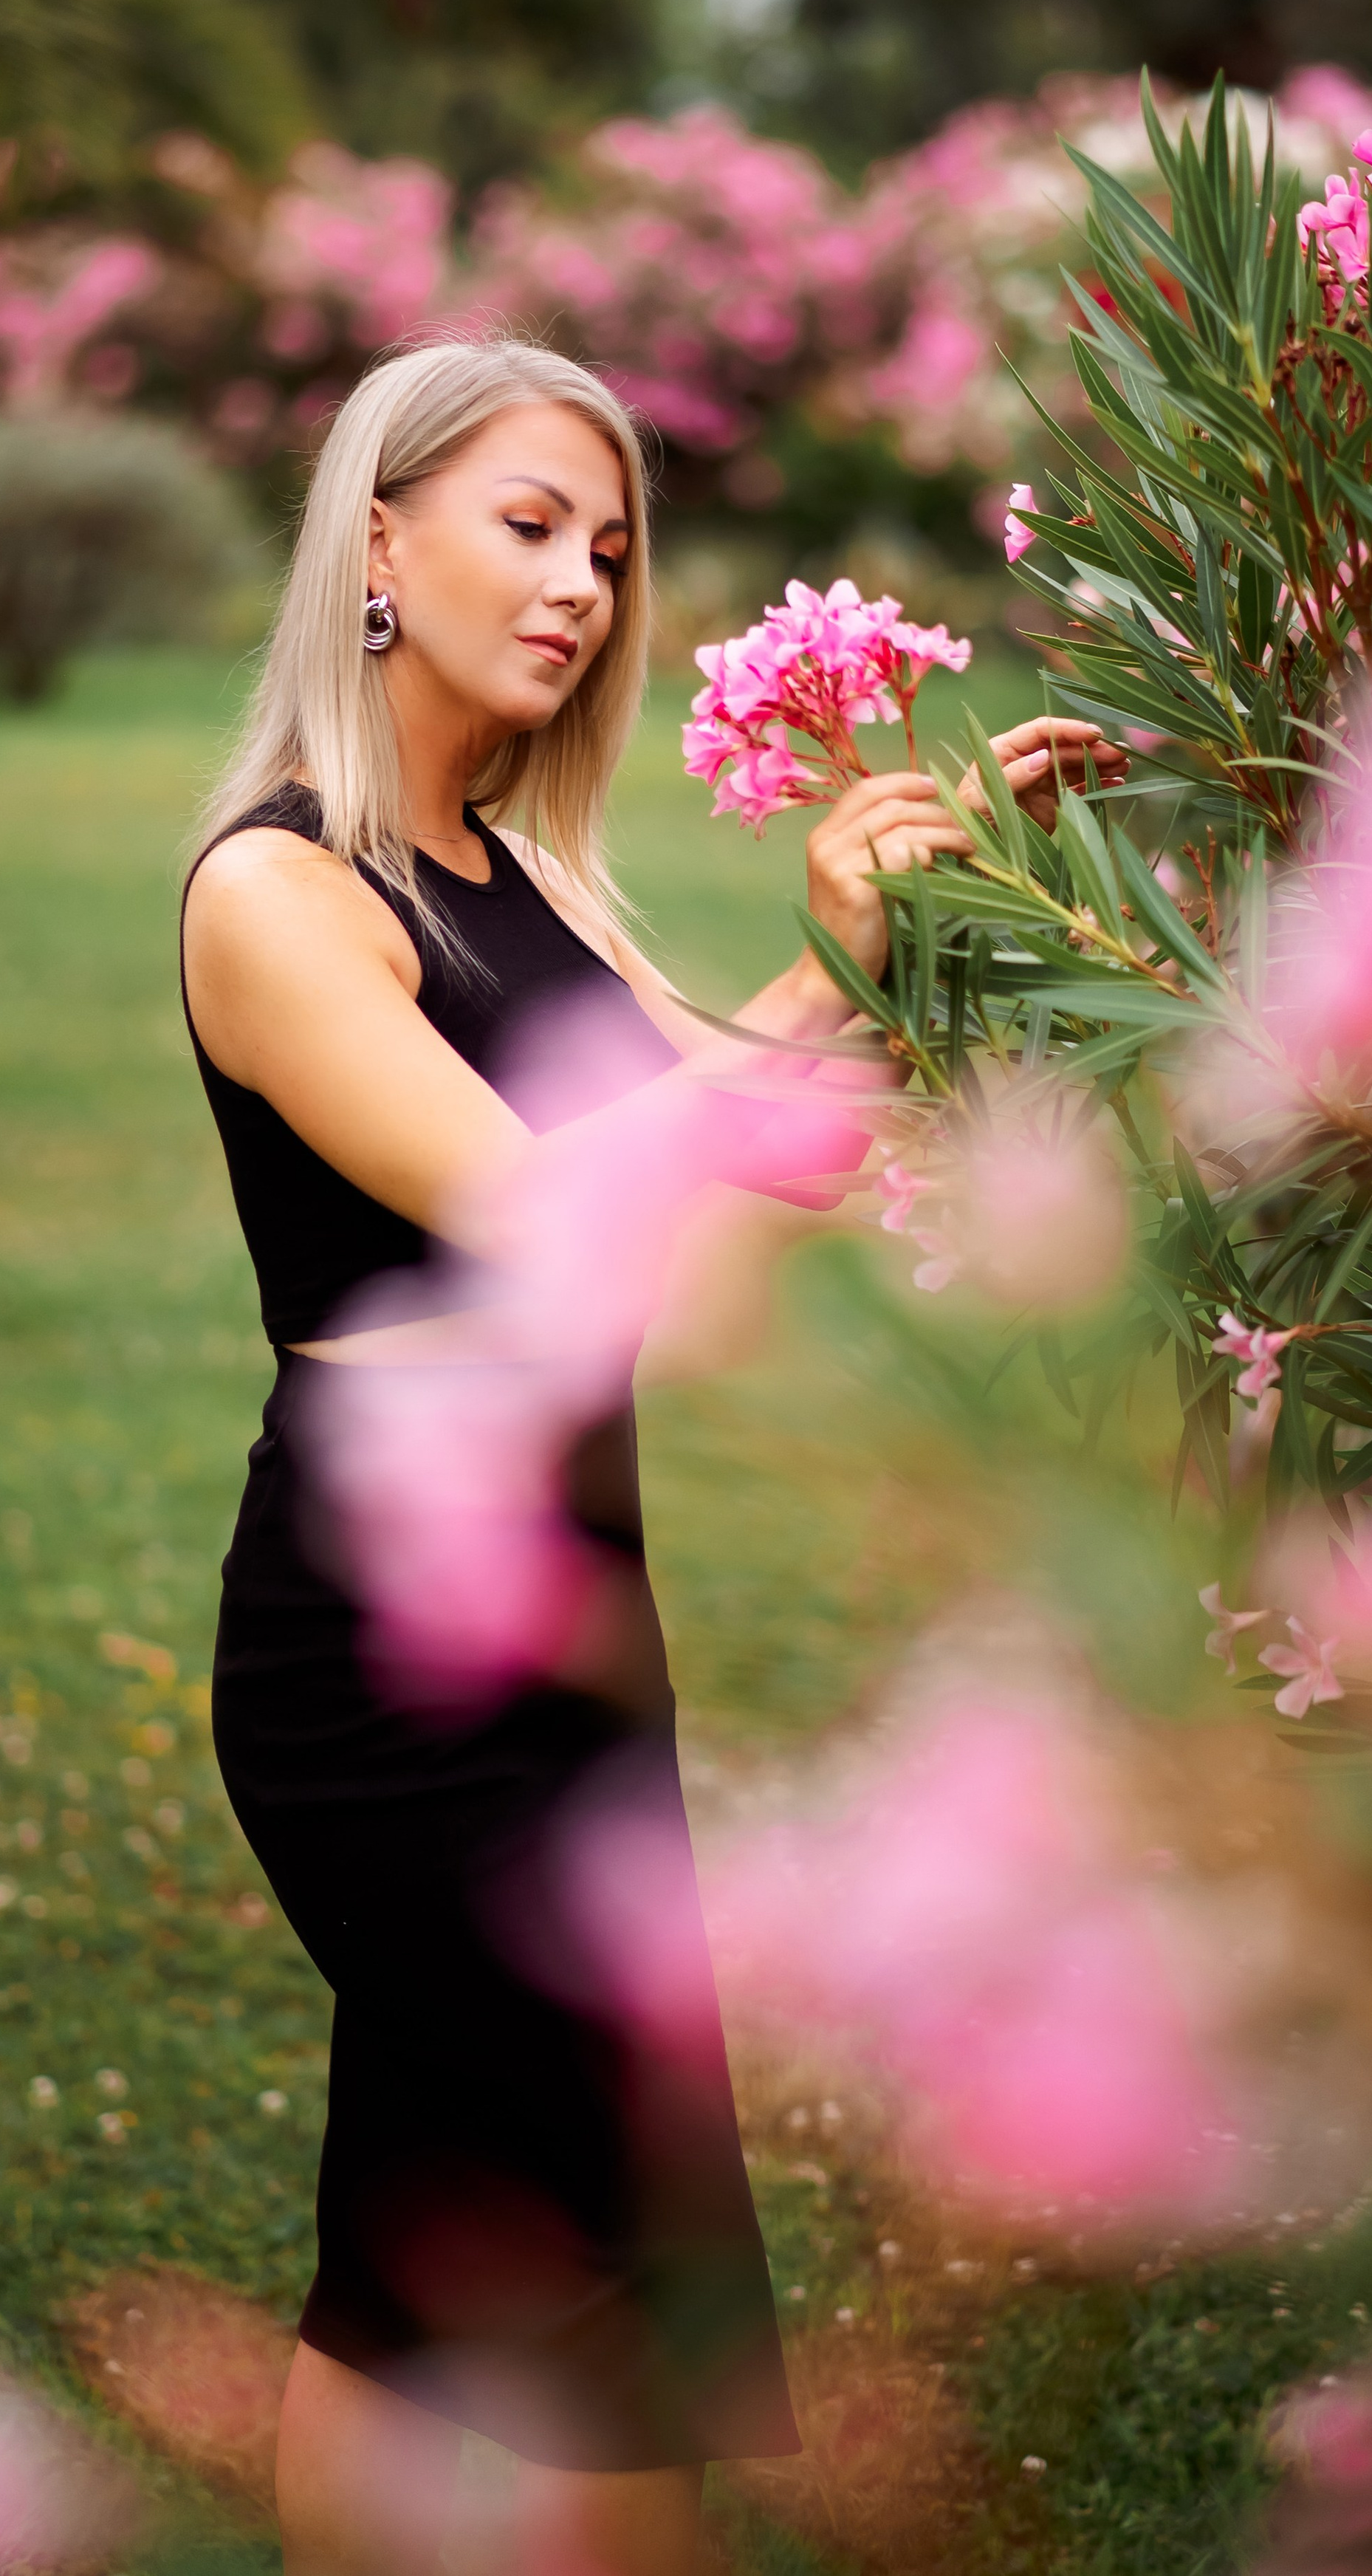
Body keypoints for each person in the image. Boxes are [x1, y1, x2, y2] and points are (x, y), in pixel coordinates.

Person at [179, 333, 1123, 2575]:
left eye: (609, 543)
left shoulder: (518, 869)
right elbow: (538, 1203)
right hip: (389, 1650)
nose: (585, 583)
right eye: (528, 525)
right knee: (616, 2235)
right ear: (377, 543)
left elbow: (754, 1130)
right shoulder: (280, 894)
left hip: (572, 1611)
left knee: (419, 2222)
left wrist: (925, 911)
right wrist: (801, 994)